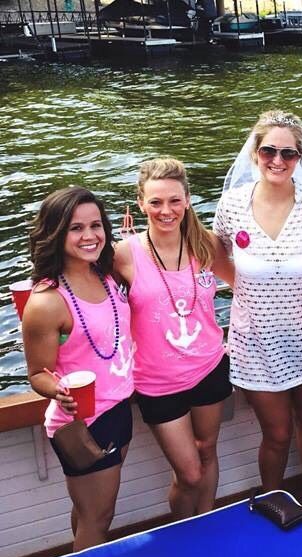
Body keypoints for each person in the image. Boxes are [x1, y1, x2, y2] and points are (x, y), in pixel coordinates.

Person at [213, 110, 302, 531]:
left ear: (300, 157)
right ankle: (273, 501)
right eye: (269, 150)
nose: (278, 160)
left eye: (288, 153)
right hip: (255, 342)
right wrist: (242, 286)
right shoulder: (232, 204)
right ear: (255, 152)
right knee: (277, 433)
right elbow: (215, 251)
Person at [114, 158, 230, 520]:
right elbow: (92, 301)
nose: (166, 211)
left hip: (210, 367)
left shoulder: (205, 244)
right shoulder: (123, 255)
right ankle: (184, 531)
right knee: (189, 472)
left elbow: (244, 286)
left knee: (207, 449)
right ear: (141, 203)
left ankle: (206, 523)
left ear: (188, 200)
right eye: (156, 202)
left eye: (175, 200)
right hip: (157, 382)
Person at [23, 186, 135, 551]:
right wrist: (58, 391)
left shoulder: (104, 273)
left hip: (118, 407)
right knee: (98, 518)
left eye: (95, 225)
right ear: (56, 233)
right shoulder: (46, 302)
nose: (89, 235)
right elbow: (38, 373)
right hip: (83, 422)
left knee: (88, 511)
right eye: (76, 228)